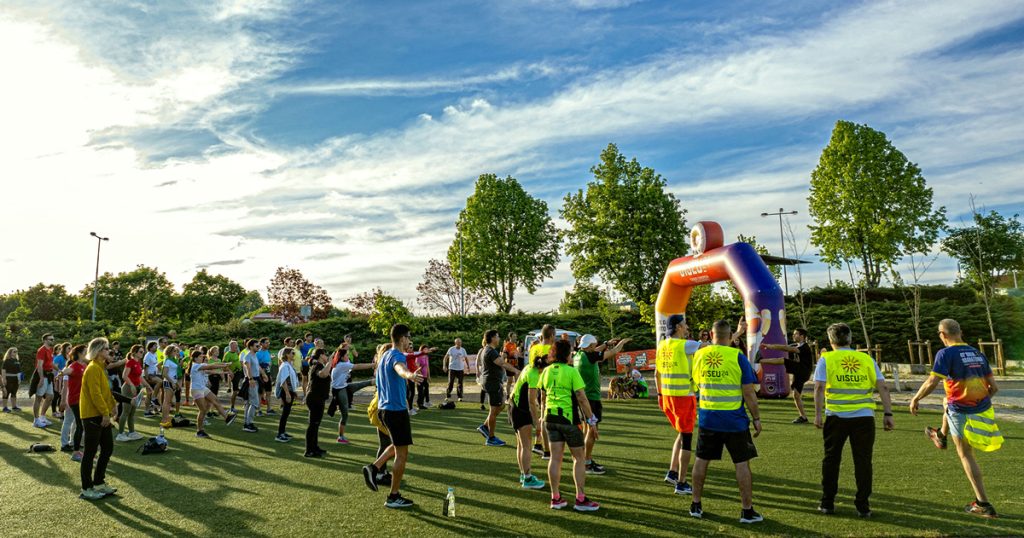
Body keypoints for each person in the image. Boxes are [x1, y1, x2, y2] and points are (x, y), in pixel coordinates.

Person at [910, 319, 1001, 518]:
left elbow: (932, 381)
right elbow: (994, 388)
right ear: (960, 332)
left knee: (966, 455)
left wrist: (916, 398)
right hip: (982, 410)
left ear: (942, 334)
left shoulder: (945, 353)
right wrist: (977, 403)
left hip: (961, 411)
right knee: (946, 402)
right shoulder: (977, 353)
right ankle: (941, 435)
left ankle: (983, 504)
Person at [813, 323, 894, 517]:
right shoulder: (866, 358)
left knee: (831, 459)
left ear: (830, 340)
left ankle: (827, 503)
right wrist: (888, 413)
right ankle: (863, 506)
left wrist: (817, 413)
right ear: (850, 339)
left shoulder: (826, 359)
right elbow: (883, 387)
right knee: (863, 461)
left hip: (836, 417)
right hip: (864, 417)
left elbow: (819, 388)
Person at [689, 319, 763, 524]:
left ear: (711, 335)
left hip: (708, 418)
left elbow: (697, 383)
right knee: (742, 463)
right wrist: (756, 418)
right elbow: (749, 393)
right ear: (730, 336)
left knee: (701, 460)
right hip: (734, 421)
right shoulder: (737, 356)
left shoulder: (699, 355)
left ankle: (695, 504)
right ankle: (747, 511)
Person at [362, 323, 424, 508]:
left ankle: (374, 467)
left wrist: (408, 374)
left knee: (398, 445)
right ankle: (393, 496)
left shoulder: (385, 355)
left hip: (384, 409)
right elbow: (400, 369)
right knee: (402, 454)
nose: (409, 341)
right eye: (408, 337)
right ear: (402, 338)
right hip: (395, 410)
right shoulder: (396, 355)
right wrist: (410, 375)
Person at [540, 339, 600, 511]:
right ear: (567, 354)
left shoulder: (546, 371)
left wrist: (542, 418)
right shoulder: (571, 371)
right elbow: (582, 398)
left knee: (555, 459)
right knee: (579, 458)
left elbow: (542, 397)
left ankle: (555, 497)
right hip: (568, 420)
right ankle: (580, 499)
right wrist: (592, 421)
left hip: (550, 418)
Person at [655, 315, 701, 494]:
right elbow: (717, 344)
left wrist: (660, 395)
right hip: (683, 397)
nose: (687, 326)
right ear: (678, 327)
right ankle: (681, 483)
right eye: (684, 324)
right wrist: (737, 333)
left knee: (682, 434)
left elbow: (657, 374)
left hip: (668, 396)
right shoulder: (684, 345)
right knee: (687, 439)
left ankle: (673, 472)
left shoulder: (662, 345)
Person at [574, 334, 629, 475]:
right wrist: (622, 342)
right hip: (591, 398)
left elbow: (596, 350)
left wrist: (606, 343)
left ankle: (584, 459)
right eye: (594, 345)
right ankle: (586, 462)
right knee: (592, 431)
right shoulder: (591, 356)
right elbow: (614, 352)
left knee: (586, 429)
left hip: (583, 397)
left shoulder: (579, 354)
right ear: (590, 346)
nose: (595, 347)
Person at [78, 337, 118, 501]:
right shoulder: (93, 368)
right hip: (92, 415)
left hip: (100, 413)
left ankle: (99, 482)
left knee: (107, 448)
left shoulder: (100, 367)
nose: (110, 351)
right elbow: (95, 394)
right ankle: (86, 488)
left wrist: (113, 405)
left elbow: (105, 392)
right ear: (98, 351)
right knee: (90, 452)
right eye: (106, 348)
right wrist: (105, 413)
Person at [509, 337, 547, 490]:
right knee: (526, 446)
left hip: (514, 407)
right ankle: (528, 478)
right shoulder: (534, 374)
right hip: (521, 410)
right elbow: (531, 401)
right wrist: (537, 423)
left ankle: (524, 474)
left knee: (521, 445)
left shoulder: (529, 367)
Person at [477, 330, 520, 447]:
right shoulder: (490, 351)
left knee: (500, 406)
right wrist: (516, 370)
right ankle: (491, 438)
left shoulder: (488, 350)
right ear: (492, 338)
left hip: (492, 382)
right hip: (492, 383)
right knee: (493, 410)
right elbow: (503, 363)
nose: (499, 338)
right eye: (497, 336)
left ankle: (485, 426)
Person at [762, 328, 815, 424]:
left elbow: (785, 348)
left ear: (802, 336)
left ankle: (761, 361)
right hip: (798, 371)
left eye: (796, 334)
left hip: (803, 371)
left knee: (783, 360)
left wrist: (769, 346)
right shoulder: (797, 345)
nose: (793, 335)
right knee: (796, 395)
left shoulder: (804, 347)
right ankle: (803, 417)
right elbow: (786, 347)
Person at [328, 347, 375, 444]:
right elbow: (358, 366)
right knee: (344, 415)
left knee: (362, 384)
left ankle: (373, 381)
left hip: (344, 387)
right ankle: (340, 437)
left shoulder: (342, 363)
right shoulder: (342, 365)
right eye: (346, 355)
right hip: (339, 390)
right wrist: (373, 364)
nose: (348, 356)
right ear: (342, 357)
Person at [190, 349, 237, 438]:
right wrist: (225, 365)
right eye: (200, 357)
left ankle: (227, 418)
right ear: (195, 358)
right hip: (196, 389)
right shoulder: (195, 366)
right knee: (203, 410)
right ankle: (199, 431)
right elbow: (211, 366)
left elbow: (213, 368)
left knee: (215, 400)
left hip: (203, 388)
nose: (202, 358)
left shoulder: (201, 365)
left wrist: (225, 369)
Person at [530, 325, 557, 459]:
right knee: (547, 418)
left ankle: (538, 443)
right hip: (550, 386)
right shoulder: (553, 349)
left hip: (537, 385)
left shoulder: (534, 348)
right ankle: (547, 450)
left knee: (542, 415)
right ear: (551, 335)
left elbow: (532, 367)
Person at [116, 344, 151, 442]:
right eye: (140, 352)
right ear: (134, 352)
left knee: (132, 412)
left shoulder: (138, 362)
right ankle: (120, 434)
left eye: (143, 351)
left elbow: (139, 377)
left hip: (136, 389)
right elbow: (124, 376)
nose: (142, 353)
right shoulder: (131, 362)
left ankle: (131, 432)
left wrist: (148, 386)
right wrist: (131, 385)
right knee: (126, 411)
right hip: (128, 388)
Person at [61, 344, 88, 461]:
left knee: (80, 425)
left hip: (83, 399)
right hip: (74, 400)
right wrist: (61, 373)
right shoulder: (74, 365)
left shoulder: (84, 365)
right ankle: (75, 452)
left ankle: (77, 448)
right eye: (85, 351)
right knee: (79, 424)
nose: (87, 353)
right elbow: (66, 371)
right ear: (79, 353)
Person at [304, 348, 332, 457]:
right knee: (313, 425)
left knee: (316, 424)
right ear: (321, 355)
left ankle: (315, 447)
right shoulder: (317, 365)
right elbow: (323, 374)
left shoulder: (319, 365)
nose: (327, 357)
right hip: (315, 398)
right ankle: (309, 450)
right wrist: (330, 362)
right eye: (326, 355)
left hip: (318, 398)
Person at [241, 339, 266, 433]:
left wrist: (263, 374)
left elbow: (257, 366)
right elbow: (247, 368)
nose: (259, 347)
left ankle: (247, 423)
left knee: (249, 403)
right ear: (251, 346)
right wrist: (250, 379)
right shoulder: (247, 356)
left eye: (259, 346)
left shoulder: (254, 355)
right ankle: (249, 423)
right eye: (257, 346)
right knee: (254, 402)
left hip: (255, 379)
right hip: (252, 380)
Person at [275, 347, 299, 443]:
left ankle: (283, 432)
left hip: (289, 391)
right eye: (292, 353)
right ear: (287, 355)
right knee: (285, 413)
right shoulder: (285, 365)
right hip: (286, 392)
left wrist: (294, 391)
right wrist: (288, 393)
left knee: (286, 413)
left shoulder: (289, 365)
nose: (294, 355)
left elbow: (291, 380)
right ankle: (280, 434)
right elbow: (283, 381)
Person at [32, 333, 56, 428]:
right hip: (43, 376)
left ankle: (42, 417)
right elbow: (39, 366)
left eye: (53, 339)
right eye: (51, 339)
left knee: (50, 396)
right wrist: (41, 378)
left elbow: (51, 363)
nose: (52, 341)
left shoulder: (50, 349)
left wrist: (60, 370)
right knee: (38, 398)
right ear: (45, 340)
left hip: (49, 376)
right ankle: (36, 420)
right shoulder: (41, 350)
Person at [142, 341, 161, 416]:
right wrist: (147, 378)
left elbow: (155, 365)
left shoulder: (155, 354)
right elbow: (145, 367)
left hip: (153, 375)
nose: (156, 347)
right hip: (149, 375)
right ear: (150, 348)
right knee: (160, 382)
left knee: (149, 394)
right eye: (155, 346)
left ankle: (150, 411)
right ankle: (153, 399)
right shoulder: (147, 355)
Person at [223, 340, 242, 412]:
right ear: (230, 346)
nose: (236, 347)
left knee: (238, 389)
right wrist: (230, 371)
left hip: (239, 372)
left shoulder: (236, 353)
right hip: (234, 374)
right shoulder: (227, 354)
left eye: (237, 346)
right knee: (235, 391)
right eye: (235, 346)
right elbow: (224, 365)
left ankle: (236, 405)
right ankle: (232, 407)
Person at [3, 347, 22, 412]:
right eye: (14, 351)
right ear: (10, 352)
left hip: (16, 379)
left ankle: (14, 407)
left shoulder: (17, 360)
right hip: (9, 379)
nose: (16, 353)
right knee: (6, 393)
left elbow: (19, 371)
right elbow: (3, 370)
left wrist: (19, 379)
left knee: (14, 393)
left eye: (16, 351)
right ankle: (5, 408)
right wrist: (4, 379)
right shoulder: (7, 360)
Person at [503, 332, 522, 398]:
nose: (515, 338)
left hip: (515, 365)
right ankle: (508, 396)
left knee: (517, 381)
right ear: (510, 337)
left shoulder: (514, 344)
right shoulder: (507, 345)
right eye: (514, 337)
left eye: (516, 336)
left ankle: (515, 395)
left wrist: (517, 355)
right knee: (510, 381)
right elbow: (504, 355)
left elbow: (515, 353)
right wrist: (511, 355)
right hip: (509, 365)